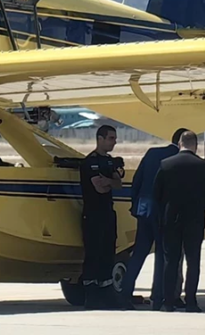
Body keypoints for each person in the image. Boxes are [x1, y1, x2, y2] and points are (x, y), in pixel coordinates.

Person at [120, 127, 188, 310]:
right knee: (162, 256)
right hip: (163, 213)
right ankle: (157, 298)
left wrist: (135, 205)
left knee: (138, 254)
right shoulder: (179, 159)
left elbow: (137, 180)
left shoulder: (152, 153)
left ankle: (124, 293)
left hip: (144, 209)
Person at [153, 131, 205, 312]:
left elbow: (156, 193)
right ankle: (191, 302)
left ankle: (168, 302)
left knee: (171, 261)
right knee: (193, 261)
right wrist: (197, 208)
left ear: (180, 144)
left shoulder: (166, 164)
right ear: (195, 145)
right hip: (194, 221)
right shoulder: (203, 165)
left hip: (171, 220)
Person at [80, 125, 125, 309]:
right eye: (111, 138)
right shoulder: (89, 162)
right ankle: (90, 296)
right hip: (93, 214)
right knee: (93, 253)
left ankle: (106, 293)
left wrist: (109, 181)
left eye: (114, 138)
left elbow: (118, 184)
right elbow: (99, 187)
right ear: (100, 139)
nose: (114, 142)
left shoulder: (109, 161)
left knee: (108, 253)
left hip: (107, 212)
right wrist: (109, 182)